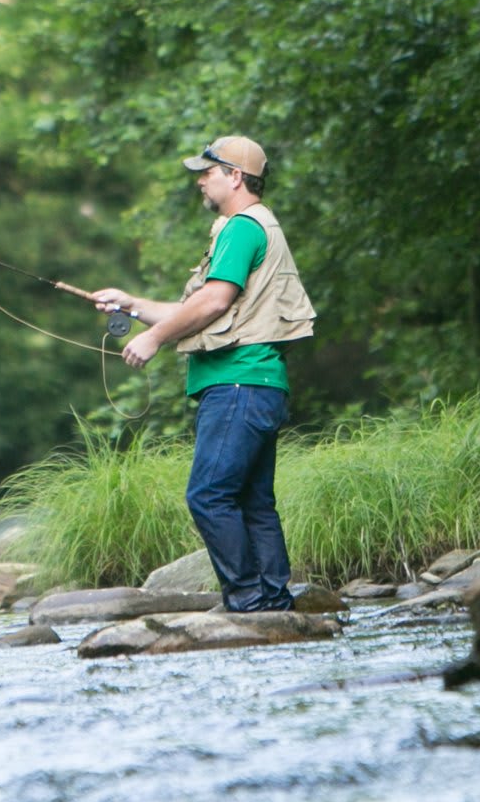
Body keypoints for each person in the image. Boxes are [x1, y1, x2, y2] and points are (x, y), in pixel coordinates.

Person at [89, 135, 317, 613]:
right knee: (253, 501)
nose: (200, 180)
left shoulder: (240, 228)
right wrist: (133, 306)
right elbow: (199, 306)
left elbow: (214, 302)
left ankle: (248, 602)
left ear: (235, 176)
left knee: (209, 495)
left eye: (208, 172)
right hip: (258, 383)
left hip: (238, 383)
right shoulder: (259, 227)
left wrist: (153, 339)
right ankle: (273, 602)